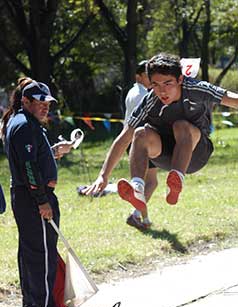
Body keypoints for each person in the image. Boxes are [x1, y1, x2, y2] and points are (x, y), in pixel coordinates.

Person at [83, 52, 238, 215]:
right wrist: (103, 175)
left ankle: (176, 179)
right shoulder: (150, 100)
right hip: (164, 155)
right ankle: (137, 188)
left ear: (180, 79)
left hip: (196, 154)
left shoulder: (195, 88)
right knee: (140, 133)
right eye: (155, 84)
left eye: (167, 83)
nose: (162, 91)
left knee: (181, 125)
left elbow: (231, 98)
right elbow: (124, 137)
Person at [0, 78, 73, 307]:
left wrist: (53, 152)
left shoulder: (25, 123)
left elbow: (32, 158)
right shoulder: (24, 125)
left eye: (48, 102)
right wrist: (42, 200)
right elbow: (29, 168)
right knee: (40, 254)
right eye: (40, 102)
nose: (45, 107)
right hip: (33, 197)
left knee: (35, 252)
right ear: (26, 101)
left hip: (29, 195)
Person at [124, 60, 157, 229]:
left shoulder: (132, 92)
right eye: (147, 75)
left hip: (132, 140)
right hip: (140, 140)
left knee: (143, 182)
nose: (150, 78)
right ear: (139, 76)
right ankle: (136, 215)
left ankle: (143, 218)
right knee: (151, 182)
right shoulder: (142, 95)